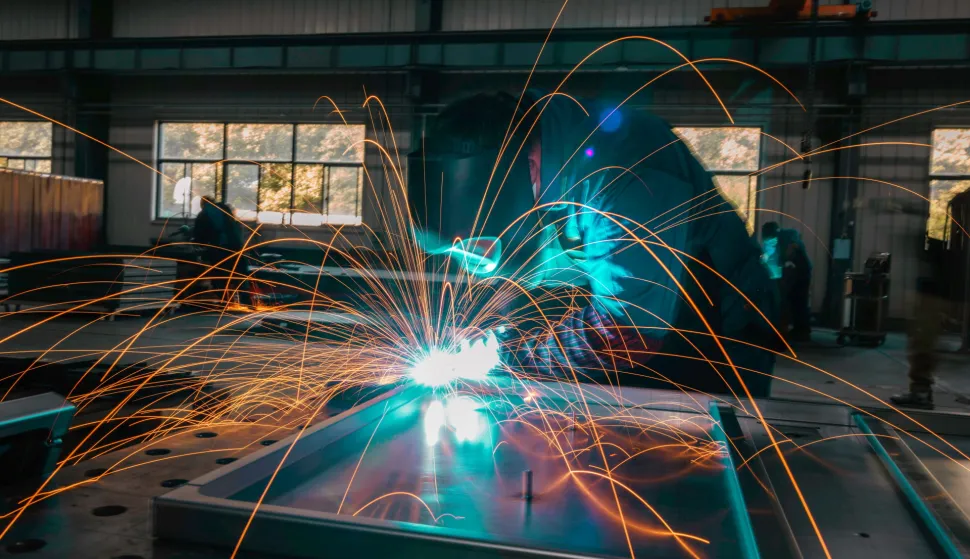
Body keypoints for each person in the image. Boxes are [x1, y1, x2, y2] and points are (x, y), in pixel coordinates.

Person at [409, 91, 780, 397]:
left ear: (528, 168)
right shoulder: (534, 148)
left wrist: (503, 356)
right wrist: (486, 325)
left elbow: (627, 335)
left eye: (476, 243)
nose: (476, 257)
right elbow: (523, 265)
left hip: (716, 337)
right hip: (642, 316)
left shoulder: (621, 175)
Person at [891, 238, 947, 409]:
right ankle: (921, 390)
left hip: (938, 289)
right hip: (936, 285)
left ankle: (921, 392)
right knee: (922, 337)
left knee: (923, 339)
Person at [193, 196, 251, 307]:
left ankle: (226, 303)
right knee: (240, 276)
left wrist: (197, 243)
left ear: (203, 204)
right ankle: (248, 303)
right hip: (237, 248)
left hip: (220, 250)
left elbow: (199, 238)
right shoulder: (225, 209)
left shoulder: (204, 214)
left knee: (219, 278)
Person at [761, 221, 813, 341]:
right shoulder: (779, 240)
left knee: (798, 299)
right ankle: (799, 329)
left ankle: (802, 331)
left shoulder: (786, 236)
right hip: (795, 269)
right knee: (794, 299)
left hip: (801, 270)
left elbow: (790, 250)